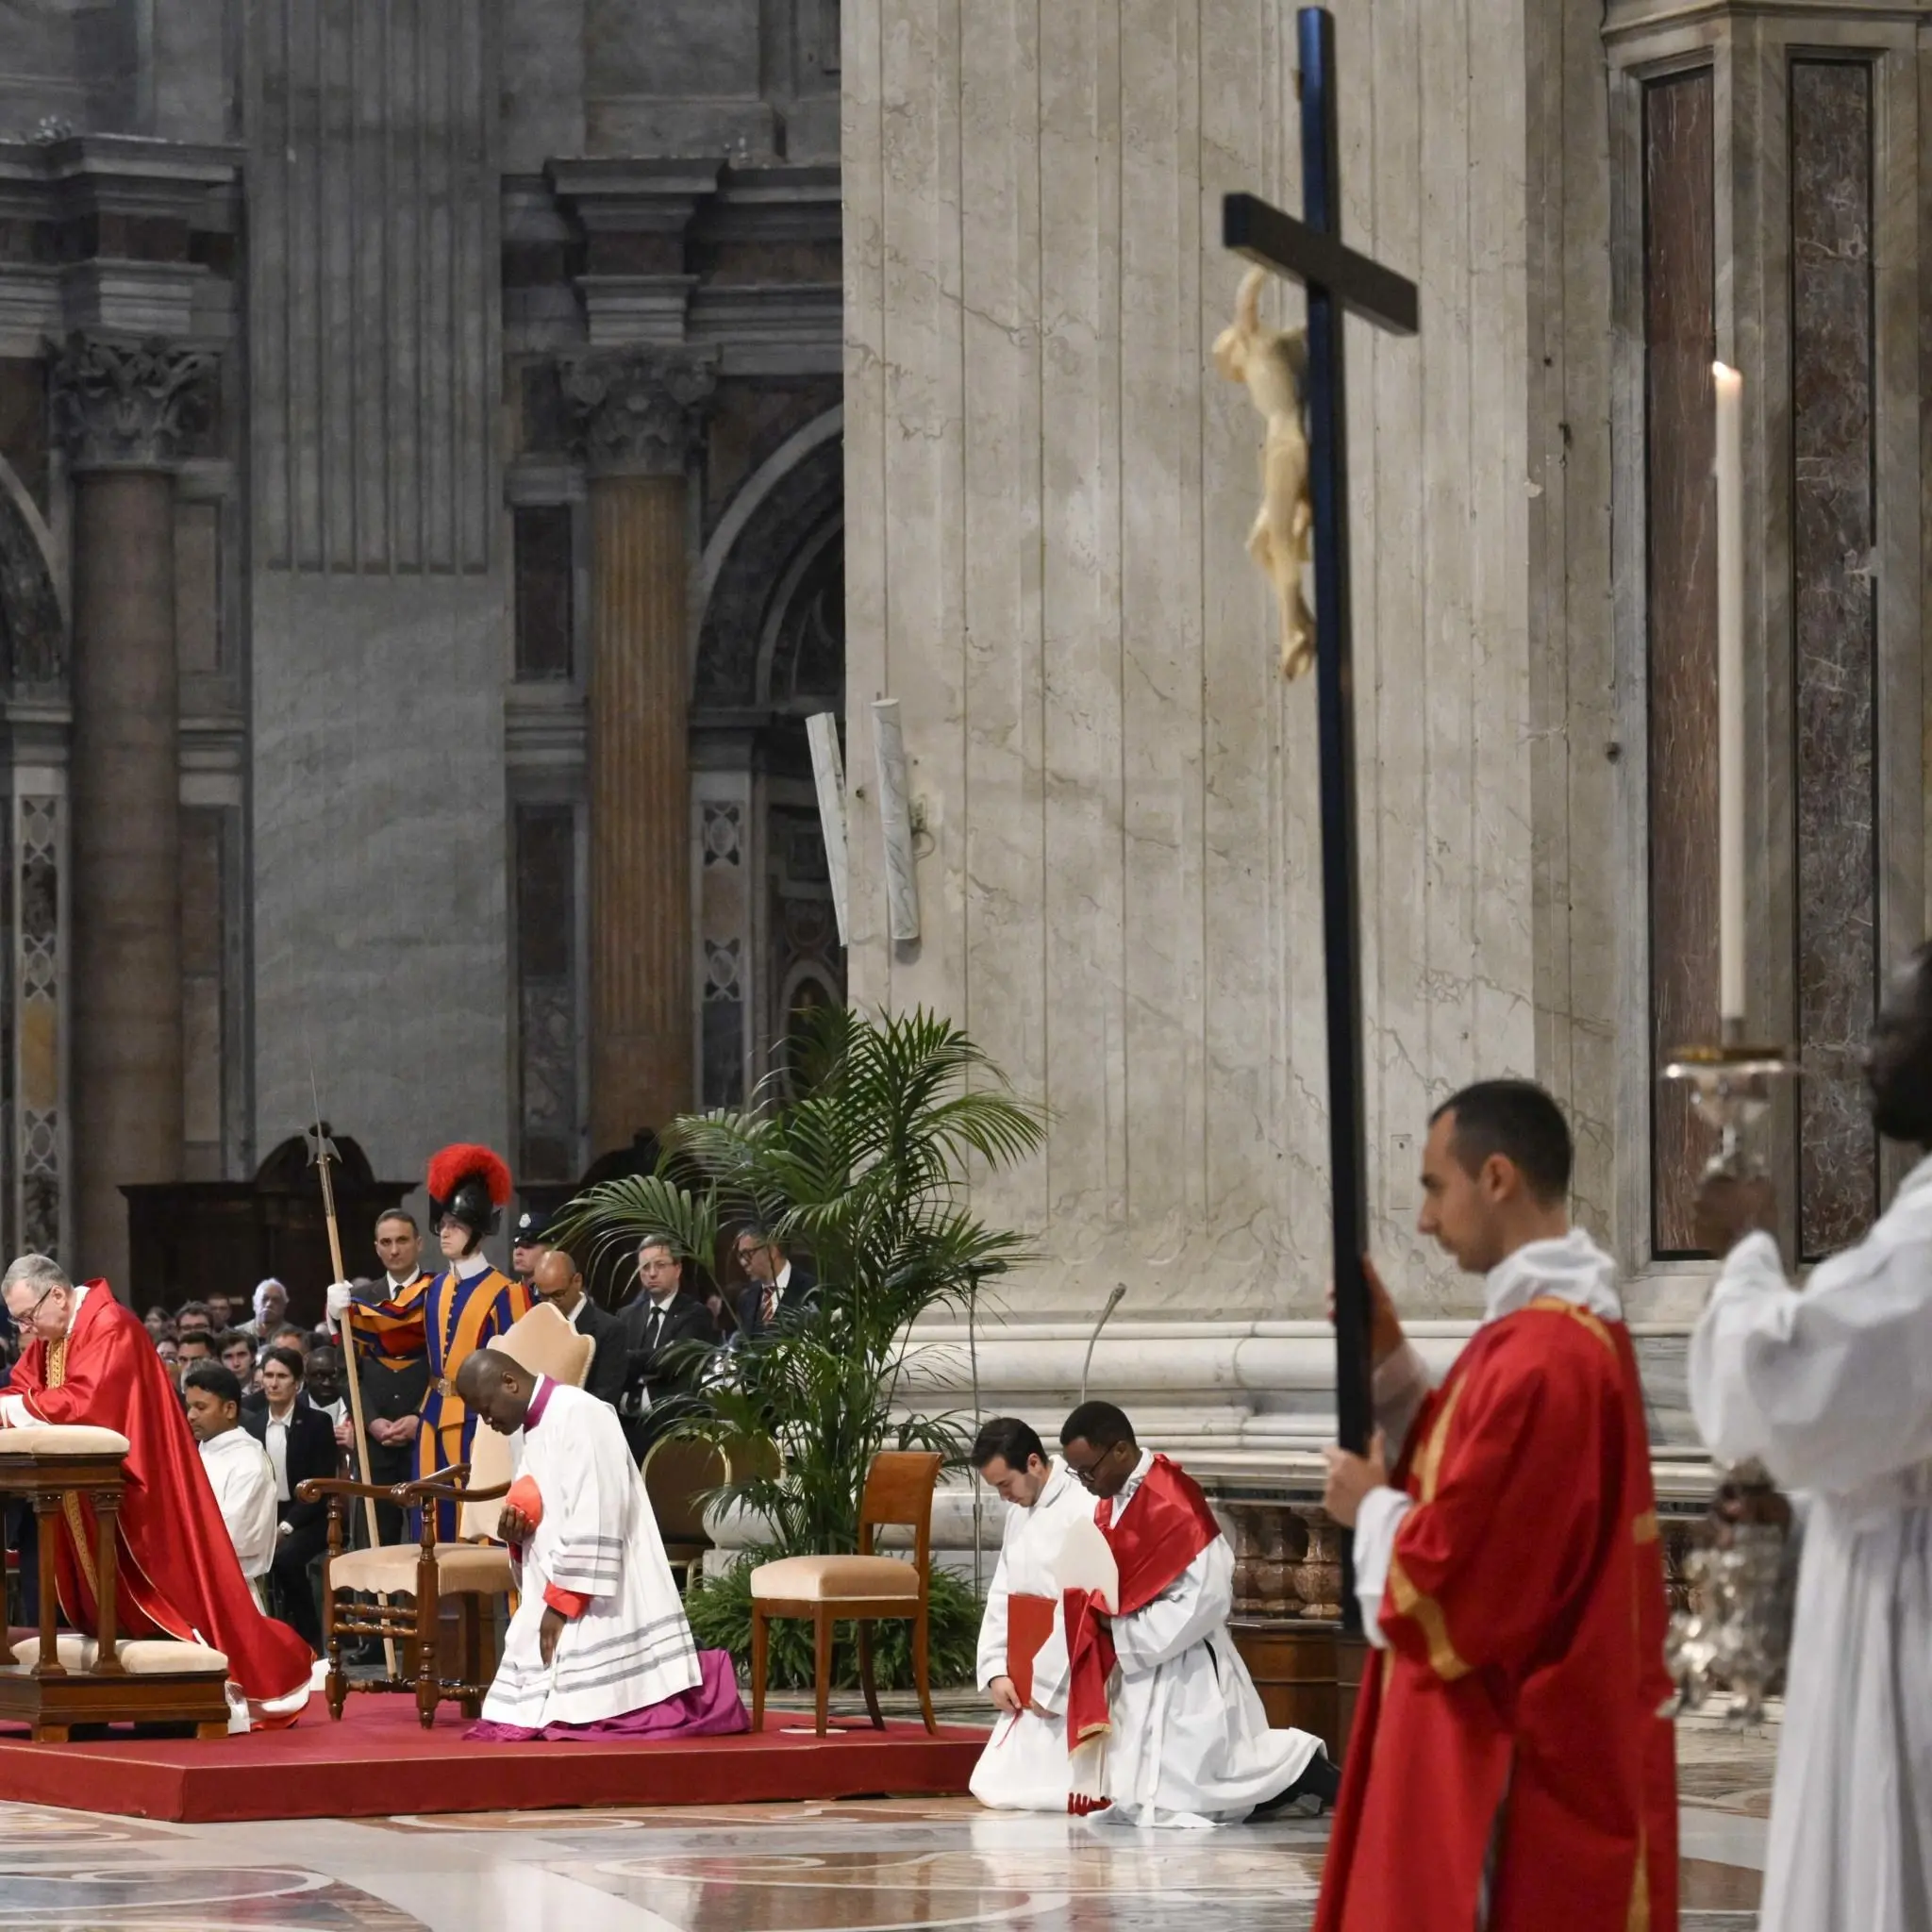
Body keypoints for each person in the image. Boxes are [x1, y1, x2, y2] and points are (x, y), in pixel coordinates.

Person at [1314, 1080, 1676, 1932]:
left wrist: (1370, 1510)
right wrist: (1391, 1361)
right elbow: (1476, 1480)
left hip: (1517, 1758)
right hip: (1529, 1731)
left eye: (1437, 1188)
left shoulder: (1544, 1359)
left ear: (1499, 1178)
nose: (1425, 1221)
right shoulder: (1550, 1335)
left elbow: (1460, 1581)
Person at [1689, 944, 1932, 1932]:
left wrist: (1745, 1250)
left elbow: (1778, 1385)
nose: (1862, 1052)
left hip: (1900, 1600)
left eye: (1889, 1026)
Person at [0, 1253, 311, 1724]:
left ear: (57, 1295)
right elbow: (24, 1384)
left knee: (175, 1591)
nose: (25, 1328)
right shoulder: (56, 1335)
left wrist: (15, 1408)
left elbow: (85, 1402)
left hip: (140, 1490)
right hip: (89, 1492)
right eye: (17, 1319)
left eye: (27, 1316)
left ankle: (244, 1672)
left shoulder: (111, 1326)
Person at [1054, 1400, 1331, 1826]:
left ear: (1122, 1451)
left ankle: (1311, 1774)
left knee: (1211, 1776)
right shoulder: (1113, 1500)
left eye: (1089, 1471)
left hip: (1187, 1660)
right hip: (1144, 1661)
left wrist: (1127, 1630)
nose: (1086, 1484)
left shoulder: (1171, 1498)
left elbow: (1210, 1592)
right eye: (1078, 1474)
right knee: (1175, 1789)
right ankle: (1288, 1788)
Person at [456, 1347, 746, 1740]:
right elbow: (545, 1507)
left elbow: (600, 1510)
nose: (487, 1422)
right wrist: (516, 1532)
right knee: (535, 1705)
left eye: (487, 1409)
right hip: (555, 1577)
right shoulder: (523, 1429)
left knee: (593, 1706)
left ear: (509, 1382)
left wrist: (562, 1602)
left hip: (601, 1583)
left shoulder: (581, 1412)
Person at [327, 1143, 535, 1535]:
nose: (445, 1232)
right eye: (442, 1222)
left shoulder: (506, 1293)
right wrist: (343, 1312)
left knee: (476, 1531)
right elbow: (392, 1327)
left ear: (477, 1229)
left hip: (482, 1423)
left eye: (455, 1224)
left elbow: (517, 1375)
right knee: (431, 1533)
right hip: (432, 1418)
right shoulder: (433, 1288)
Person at [967, 1416, 1095, 1810]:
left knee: (1059, 1789)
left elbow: (1083, 1602)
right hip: (1024, 1667)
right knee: (994, 1784)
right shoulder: (1017, 1513)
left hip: (1068, 1667)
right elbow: (1003, 1591)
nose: (1004, 1496)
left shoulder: (1084, 1507)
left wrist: (1049, 1682)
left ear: (1034, 1463)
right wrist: (995, 1669)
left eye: (1005, 1484)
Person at [242, 1343, 340, 1656]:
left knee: (286, 1559)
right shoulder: (252, 1425)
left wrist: (285, 1527)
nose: (272, 1383)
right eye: (268, 1375)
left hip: (309, 1516)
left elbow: (321, 1485)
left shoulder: (316, 1424)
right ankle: (260, 1640)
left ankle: (309, 1641)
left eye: (281, 1376)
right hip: (267, 1514)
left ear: (297, 1384)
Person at [613, 1236, 719, 1461]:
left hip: (674, 1429)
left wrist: (629, 1359)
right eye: (645, 1267)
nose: (651, 1273)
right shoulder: (626, 1315)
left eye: (660, 1265)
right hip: (627, 1431)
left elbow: (675, 1359)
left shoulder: (696, 1314)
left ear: (678, 1268)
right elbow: (614, 1368)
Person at [184, 1361, 278, 1611]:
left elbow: (232, 1536)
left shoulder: (249, 1462)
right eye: (189, 1407)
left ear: (229, 1409)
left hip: (231, 1594)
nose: (190, 1415)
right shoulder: (201, 1450)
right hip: (193, 1583)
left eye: (200, 1407)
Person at [531, 1246, 626, 1407]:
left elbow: (604, 1398)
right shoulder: (536, 1325)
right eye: (543, 1296)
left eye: (558, 1295)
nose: (550, 1303)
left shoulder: (610, 1330)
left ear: (577, 1281)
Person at [732, 1224, 818, 1341]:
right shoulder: (747, 1299)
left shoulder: (811, 1290)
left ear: (772, 1250)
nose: (743, 1263)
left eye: (747, 1254)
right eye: (740, 1256)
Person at [510, 1207, 550, 1290]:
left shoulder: (558, 1297)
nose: (518, 1252)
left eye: (527, 1246)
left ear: (548, 1251)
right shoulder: (507, 1294)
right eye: (516, 1245)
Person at [240, 1277, 290, 1341]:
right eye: (264, 1299)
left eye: (275, 1300)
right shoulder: (238, 1334)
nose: (269, 1304)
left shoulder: (295, 1337)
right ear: (254, 1303)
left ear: (284, 1306)